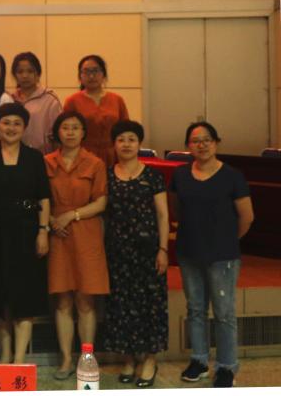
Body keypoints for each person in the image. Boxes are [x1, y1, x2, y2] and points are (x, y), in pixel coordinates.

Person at [169, 122, 255, 389]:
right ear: (188, 146)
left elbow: (247, 217)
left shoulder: (232, 176)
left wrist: (226, 240)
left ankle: (227, 366)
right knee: (195, 309)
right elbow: (176, 210)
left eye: (207, 139)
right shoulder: (180, 175)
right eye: (195, 141)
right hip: (189, 252)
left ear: (216, 143)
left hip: (222, 256)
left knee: (224, 313)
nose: (202, 145)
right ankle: (199, 360)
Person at [0, 102, 50, 365]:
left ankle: (19, 360)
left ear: (25, 127)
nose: (11, 128)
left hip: (27, 234)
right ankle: (5, 355)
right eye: (6, 123)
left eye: (17, 123)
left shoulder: (34, 157)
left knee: (24, 297)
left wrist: (43, 231)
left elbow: (43, 198)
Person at [44, 111, 109, 380]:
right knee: (62, 300)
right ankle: (65, 359)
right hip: (56, 234)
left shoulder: (95, 163)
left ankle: (86, 358)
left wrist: (72, 215)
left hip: (86, 232)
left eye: (75, 128)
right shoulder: (46, 162)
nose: (70, 132)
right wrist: (51, 220)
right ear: (57, 132)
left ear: (83, 133)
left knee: (85, 300)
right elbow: (40, 198)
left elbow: (101, 201)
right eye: (65, 127)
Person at [104, 120, 168, 389]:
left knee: (150, 305)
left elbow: (163, 215)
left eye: (131, 139)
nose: (126, 144)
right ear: (114, 144)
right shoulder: (107, 175)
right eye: (121, 140)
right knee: (121, 305)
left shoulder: (153, 175)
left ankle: (150, 359)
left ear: (139, 143)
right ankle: (129, 359)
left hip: (148, 253)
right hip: (117, 253)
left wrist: (163, 249)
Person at [63, 55, 130, 168]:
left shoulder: (117, 99)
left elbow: (126, 130)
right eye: (86, 71)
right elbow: (65, 132)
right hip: (83, 156)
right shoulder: (72, 101)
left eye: (95, 70)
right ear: (80, 76)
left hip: (114, 155)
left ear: (104, 74)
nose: (91, 76)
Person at [10, 52, 61, 153]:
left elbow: (58, 133)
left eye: (30, 71)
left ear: (38, 74)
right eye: (20, 72)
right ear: (15, 75)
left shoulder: (50, 99)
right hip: (14, 155)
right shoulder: (10, 99)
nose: (25, 76)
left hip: (43, 156)